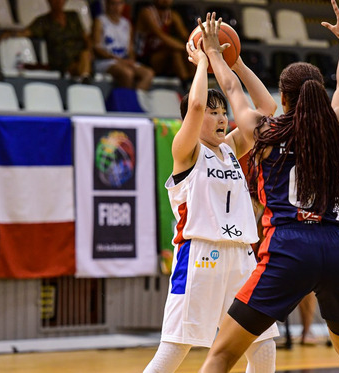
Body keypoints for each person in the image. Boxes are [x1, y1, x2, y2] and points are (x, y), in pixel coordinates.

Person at [197, 1, 339, 372]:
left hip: (289, 247)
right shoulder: (336, 130)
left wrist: (215, 54)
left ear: (283, 99)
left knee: (221, 356)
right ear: (317, 93)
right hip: (335, 247)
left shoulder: (263, 133)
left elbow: (231, 88)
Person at [141, 27, 279, 373]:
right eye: (212, 113)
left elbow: (266, 107)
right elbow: (197, 102)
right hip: (200, 255)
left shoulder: (231, 149)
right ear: (191, 119)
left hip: (242, 255)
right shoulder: (185, 152)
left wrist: (237, 63)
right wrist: (202, 62)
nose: (221, 118)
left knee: (263, 346)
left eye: (223, 113)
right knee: (174, 350)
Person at [1, 0, 92, 82]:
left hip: (79, 56)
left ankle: (84, 78)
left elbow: (85, 37)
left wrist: (90, 49)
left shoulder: (73, 16)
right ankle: (85, 80)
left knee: (85, 55)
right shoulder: (43, 21)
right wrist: (10, 34)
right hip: (61, 61)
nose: (58, 2)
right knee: (82, 61)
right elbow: (26, 32)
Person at [92, 0, 154, 90]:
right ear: (107, 4)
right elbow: (97, 48)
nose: (116, 7)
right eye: (113, 3)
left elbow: (130, 49)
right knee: (127, 73)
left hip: (124, 60)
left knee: (148, 73)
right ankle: (127, 100)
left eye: (120, 4)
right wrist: (119, 60)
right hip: (106, 61)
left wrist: (131, 60)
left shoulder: (127, 24)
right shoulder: (100, 21)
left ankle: (134, 99)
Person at [134, 0, 194, 88]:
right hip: (145, 58)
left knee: (191, 52)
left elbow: (186, 36)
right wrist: (185, 48)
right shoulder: (146, 13)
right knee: (175, 52)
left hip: (162, 56)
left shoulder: (173, 15)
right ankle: (187, 85)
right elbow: (162, 37)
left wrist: (193, 47)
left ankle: (193, 81)